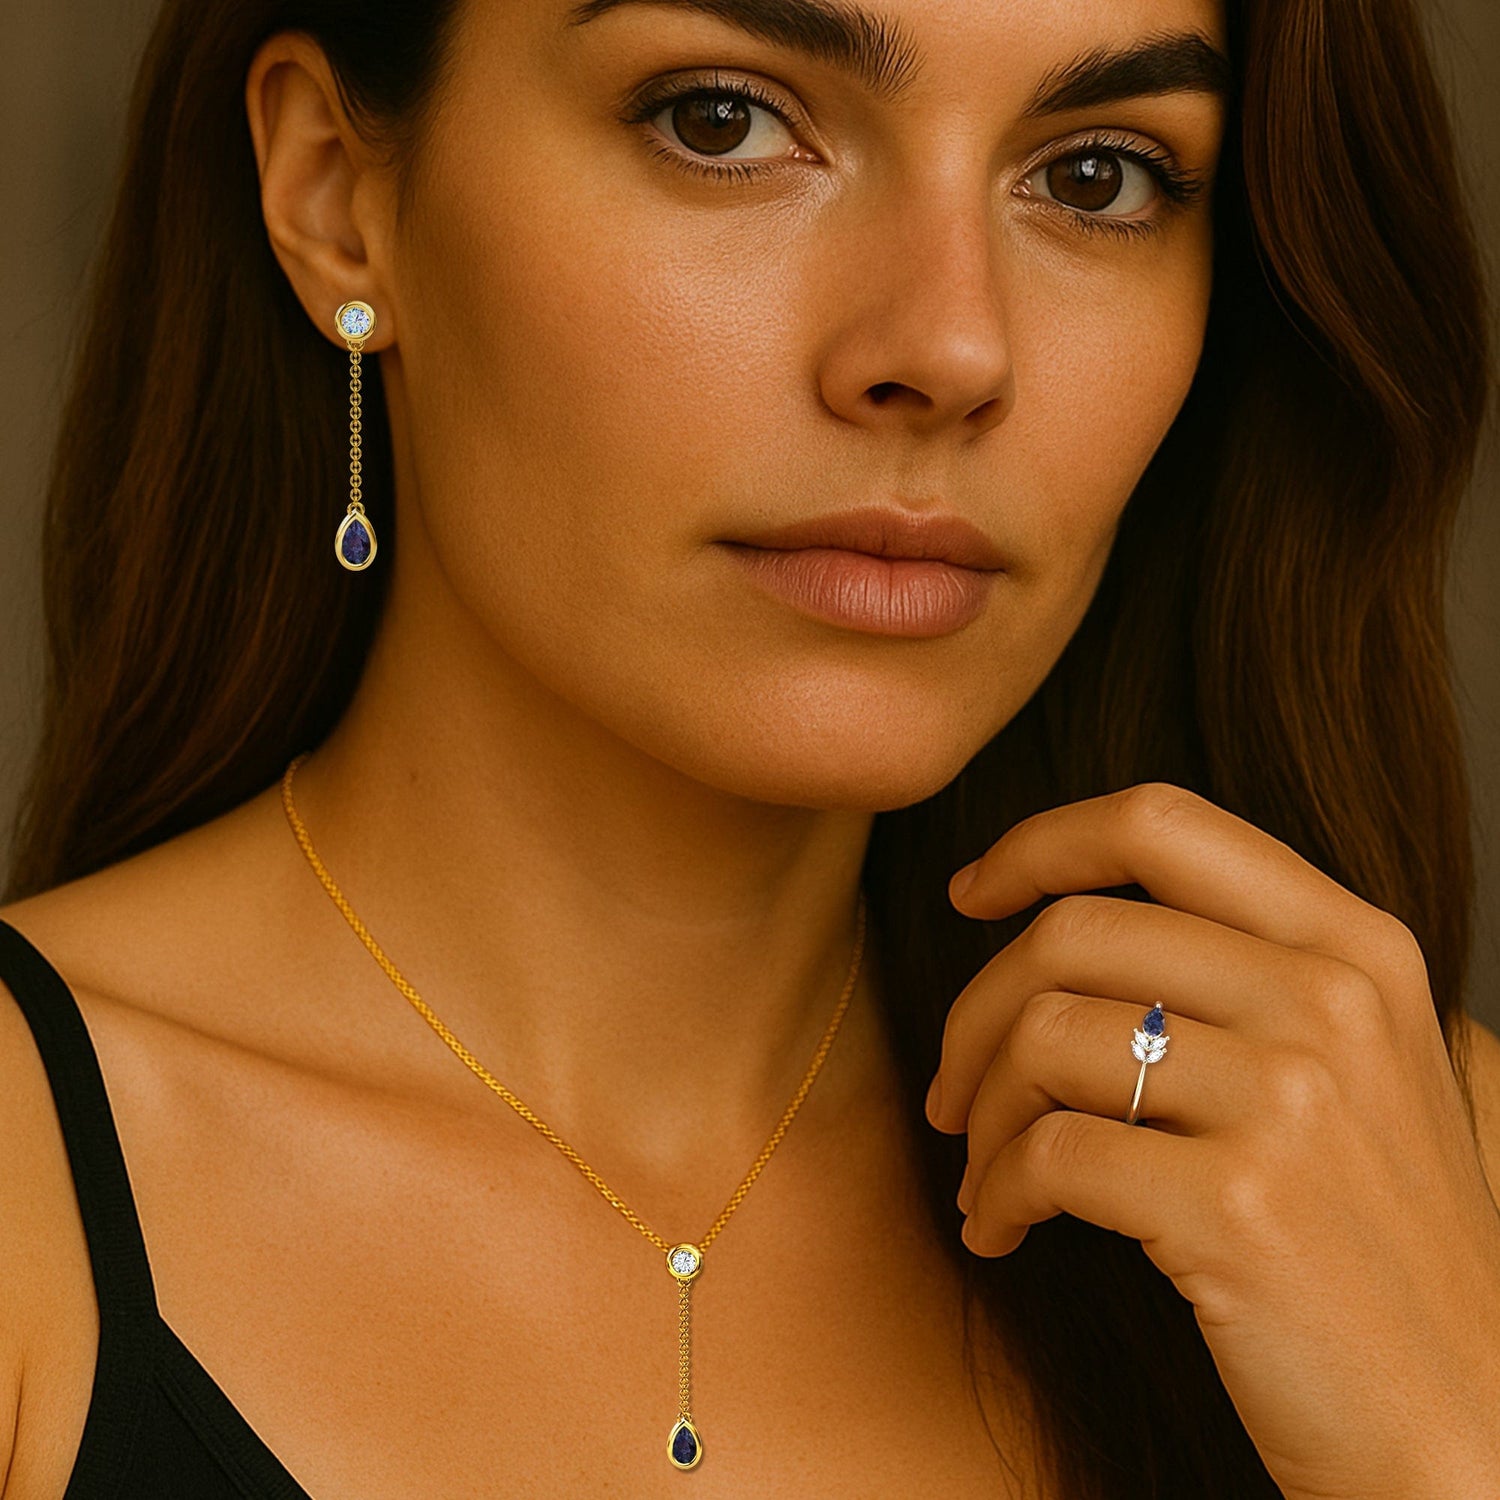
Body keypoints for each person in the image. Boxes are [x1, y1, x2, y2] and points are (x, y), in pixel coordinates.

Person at [2, 0, 1499, 1494]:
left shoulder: (1403, 1168)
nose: (951, 347)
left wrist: (1442, 1453)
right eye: (723, 120)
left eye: (1097, 176)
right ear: (337, 197)